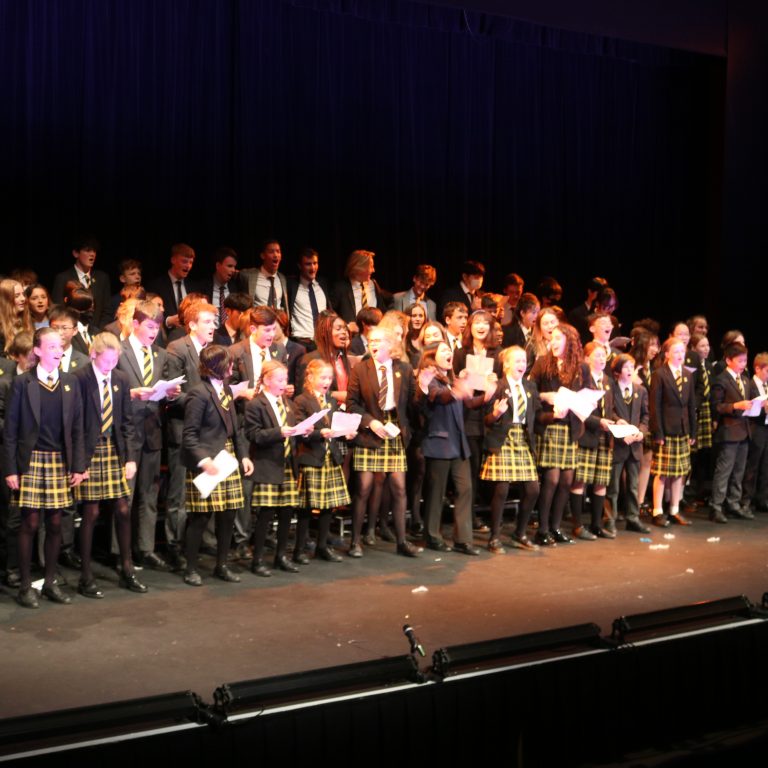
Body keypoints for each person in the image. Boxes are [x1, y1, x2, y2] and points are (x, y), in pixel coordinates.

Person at [3, 327, 87, 608]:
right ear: (37, 351)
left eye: (60, 345)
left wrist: (78, 465)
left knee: (55, 522)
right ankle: (26, 586)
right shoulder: (23, 383)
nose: (58, 350)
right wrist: (11, 469)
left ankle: (50, 582)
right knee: (30, 522)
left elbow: (77, 427)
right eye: (51, 346)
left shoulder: (70, 382)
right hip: (31, 460)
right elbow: (11, 430)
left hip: (59, 461)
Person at [73, 332, 147, 598]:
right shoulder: (80, 378)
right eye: (107, 360)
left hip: (114, 450)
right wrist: (79, 464)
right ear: (94, 355)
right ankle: (86, 577)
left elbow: (127, 422)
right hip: (89, 451)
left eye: (115, 360)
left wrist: (129, 458)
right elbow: (75, 424)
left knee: (123, 508)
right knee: (91, 513)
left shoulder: (121, 379)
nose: (111, 365)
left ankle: (127, 569)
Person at [181, 345, 253, 585]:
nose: (233, 368)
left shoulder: (226, 391)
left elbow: (236, 430)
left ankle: (221, 565)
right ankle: (191, 568)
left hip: (227, 458)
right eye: (229, 365)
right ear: (218, 368)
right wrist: (204, 460)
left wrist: (243, 456)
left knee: (228, 515)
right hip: (208, 462)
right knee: (200, 517)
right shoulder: (198, 393)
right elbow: (189, 435)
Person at [346, 326, 421, 558]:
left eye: (378, 340)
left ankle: (401, 541)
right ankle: (355, 541)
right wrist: (369, 422)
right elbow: (352, 404)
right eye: (370, 340)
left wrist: (424, 387)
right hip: (371, 432)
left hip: (394, 430)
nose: (373, 344)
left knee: (399, 487)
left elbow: (412, 404)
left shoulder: (404, 369)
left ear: (390, 345)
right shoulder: (361, 368)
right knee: (365, 487)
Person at [117, 300, 179, 569]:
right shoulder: (118, 351)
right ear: (134, 324)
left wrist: (170, 393)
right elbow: (105, 390)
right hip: (126, 432)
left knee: (149, 493)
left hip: (152, 430)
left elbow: (162, 389)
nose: (154, 332)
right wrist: (131, 393)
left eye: (157, 327)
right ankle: (120, 552)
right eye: (149, 327)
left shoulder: (160, 354)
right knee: (125, 496)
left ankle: (145, 548)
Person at [245, 360, 312, 575]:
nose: (284, 384)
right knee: (265, 514)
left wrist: (303, 430)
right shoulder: (256, 404)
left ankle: (281, 556)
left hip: (287, 464)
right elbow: (253, 435)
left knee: (286, 512)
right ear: (266, 380)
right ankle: (257, 560)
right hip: (267, 464)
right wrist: (279, 432)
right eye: (280, 380)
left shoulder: (286, 402)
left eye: (285, 379)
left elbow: (292, 428)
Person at [164, 300, 218, 569]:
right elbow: (171, 397)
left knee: (206, 491)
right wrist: (204, 402)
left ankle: (200, 542)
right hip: (183, 432)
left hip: (209, 434)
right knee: (179, 496)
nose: (213, 327)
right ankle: (174, 546)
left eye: (214, 322)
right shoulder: (177, 349)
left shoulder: (214, 351)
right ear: (192, 324)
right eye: (208, 322)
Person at [416, 341, 481, 555]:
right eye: (444, 350)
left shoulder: (453, 380)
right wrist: (456, 389)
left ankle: (463, 538)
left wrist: (489, 393)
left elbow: (468, 403)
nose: (449, 353)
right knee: (437, 492)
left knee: (466, 488)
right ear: (432, 356)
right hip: (440, 442)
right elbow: (440, 397)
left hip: (458, 442)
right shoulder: (429, 379)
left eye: (449, 350)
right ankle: (432, 536)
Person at [480, 346, 541, 553]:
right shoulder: (497, 386)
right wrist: (496, 413)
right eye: (517, 361)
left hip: (522, 439)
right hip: (503, 438)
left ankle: (519, 533)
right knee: (502, 489)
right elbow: (486, 419)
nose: (521, 365)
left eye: (524, 361)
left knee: (533, 489)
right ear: (506, 364)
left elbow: (536, 415)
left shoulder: (530, 387)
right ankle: (495, 537)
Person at [293, 359, 355, 563]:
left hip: (330, 456)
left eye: (330, 378)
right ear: (310, 378)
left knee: (328, 506)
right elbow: (299, 431)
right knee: (306, 507)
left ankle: (322, 547)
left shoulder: (330, 400)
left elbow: (336, 424)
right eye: (323, 377)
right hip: (312, 456)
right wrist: (320, 433)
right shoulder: (302, 401)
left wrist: (345, 433)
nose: (327, 382)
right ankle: (299, 549)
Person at [529, 324, 585, 546]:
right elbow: (530, 388)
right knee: (551, 478)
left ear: (569, 342)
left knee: (566, 480)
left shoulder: (580, 367)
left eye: (558, 339)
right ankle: (542, 529)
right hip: (551, 426)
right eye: (551, 338)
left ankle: (555, 526)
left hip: (570, 426)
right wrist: (546, 396)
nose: (552, 342)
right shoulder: (543, 362)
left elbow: (586, 394)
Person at [649, 337, 697, 527]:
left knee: (679, 472)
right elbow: (655, 407)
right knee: (662, 473)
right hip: (666, 431)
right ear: (667, 354)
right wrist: (658, 432)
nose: (680, 355)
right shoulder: (659, 374)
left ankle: (675, 509)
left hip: (683, 430)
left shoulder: (688, 374)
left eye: (682, 351)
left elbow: (691, 404)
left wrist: (692, 432)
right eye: (676, 351)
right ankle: (657, 510)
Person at [570, 342, 615, 540]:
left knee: (601, 481)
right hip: (586, 434)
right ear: (586, 358)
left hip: (604, 437)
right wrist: (598, 422)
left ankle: (596, 524)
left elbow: (611, 408)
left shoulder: (607, 380)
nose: (601, 358)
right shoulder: (581, 378)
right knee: (581, 480)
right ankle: (578, 525)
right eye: (597, 355)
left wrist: (618, 419)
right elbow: (577, 408)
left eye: (603, 355)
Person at [708, 341, 753, 523]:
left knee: (739, 470)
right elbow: (716, 406)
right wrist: (735, 406)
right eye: (740, 361)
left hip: (744, 430)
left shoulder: (744, 379)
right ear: (728, 360)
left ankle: (733, 503)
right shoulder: (721, 380)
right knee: (724, 470)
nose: (743, 364)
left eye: (745, 361)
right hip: (728, 431)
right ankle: (716, 506)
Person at [606, 354, 651, 534]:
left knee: (633, 485)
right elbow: (610, 412)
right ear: (617, 372)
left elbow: (646, 415)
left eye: (632, 366)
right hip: (617, 443)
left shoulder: (640, 390)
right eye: (626, 367)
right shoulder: (611, 389)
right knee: (613, 486)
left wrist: (641, 431)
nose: (630, 370)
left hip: (635, 445)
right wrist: (618, 424)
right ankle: (609, 519)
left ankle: (633, 517)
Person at [51, 236, 112, 329]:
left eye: (94, 251)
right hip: (73, 331)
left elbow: (107, 309)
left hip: (96, 331)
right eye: (87, 251)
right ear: (76, 253)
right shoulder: (63, 278)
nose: (92, 254)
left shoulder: (102, 278)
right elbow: (58, 308)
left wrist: (99, 330)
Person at [330, 249, 391, 328]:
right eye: (371, 267)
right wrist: (346, 326)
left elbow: (383, 309)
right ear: (359, 268)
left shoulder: (373, 284)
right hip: (352, 337)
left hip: (374, 334)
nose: (373, 270)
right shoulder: (340, 288)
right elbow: (330, 314)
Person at [286, 247, 333, 349]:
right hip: (301, 343)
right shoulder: (291, 286)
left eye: (315, 263)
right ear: (300, 266)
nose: (312, 268)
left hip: (323, 343)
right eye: (308, 264)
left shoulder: (323, 284)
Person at [146, 243, 196, 331]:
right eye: (184, 261)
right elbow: (149, 314)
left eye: (191, 262)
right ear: (173, 260)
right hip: (166, 337)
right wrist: (168, 321)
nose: (188, 266)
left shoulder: (194, 286)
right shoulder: (157, 286)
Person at [743, 352, 768, 514]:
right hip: (755, 428)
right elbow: (748, 407)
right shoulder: (749, 384)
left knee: (766, 465)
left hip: (766, 428)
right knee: (752, 465)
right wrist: (762, 408)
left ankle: (762, 498)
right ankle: (746, 499)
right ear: (758, 369)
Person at [239, 239, 290, 317]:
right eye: (271, 252)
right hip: (257, 325)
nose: (276, 255)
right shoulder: (248, 276)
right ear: (263, 255)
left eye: (278, 251)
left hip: (277, 326)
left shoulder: (282, 278)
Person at [197, 247, 243, 327]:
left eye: (234, 267)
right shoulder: (203, 287)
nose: (233, 270)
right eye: (229, 266)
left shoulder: (236, 287)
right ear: (218, 266)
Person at [567, 276, 608, 343]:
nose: (600, 298)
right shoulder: (576, 314)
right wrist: (597, 314)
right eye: (598, 294)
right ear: (590, 292)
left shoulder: (604, 313)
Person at [0, 278, 33, 355]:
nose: (23, 299)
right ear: (5, 300)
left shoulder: (26, 320)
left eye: (23, 294)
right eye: (17, 296)